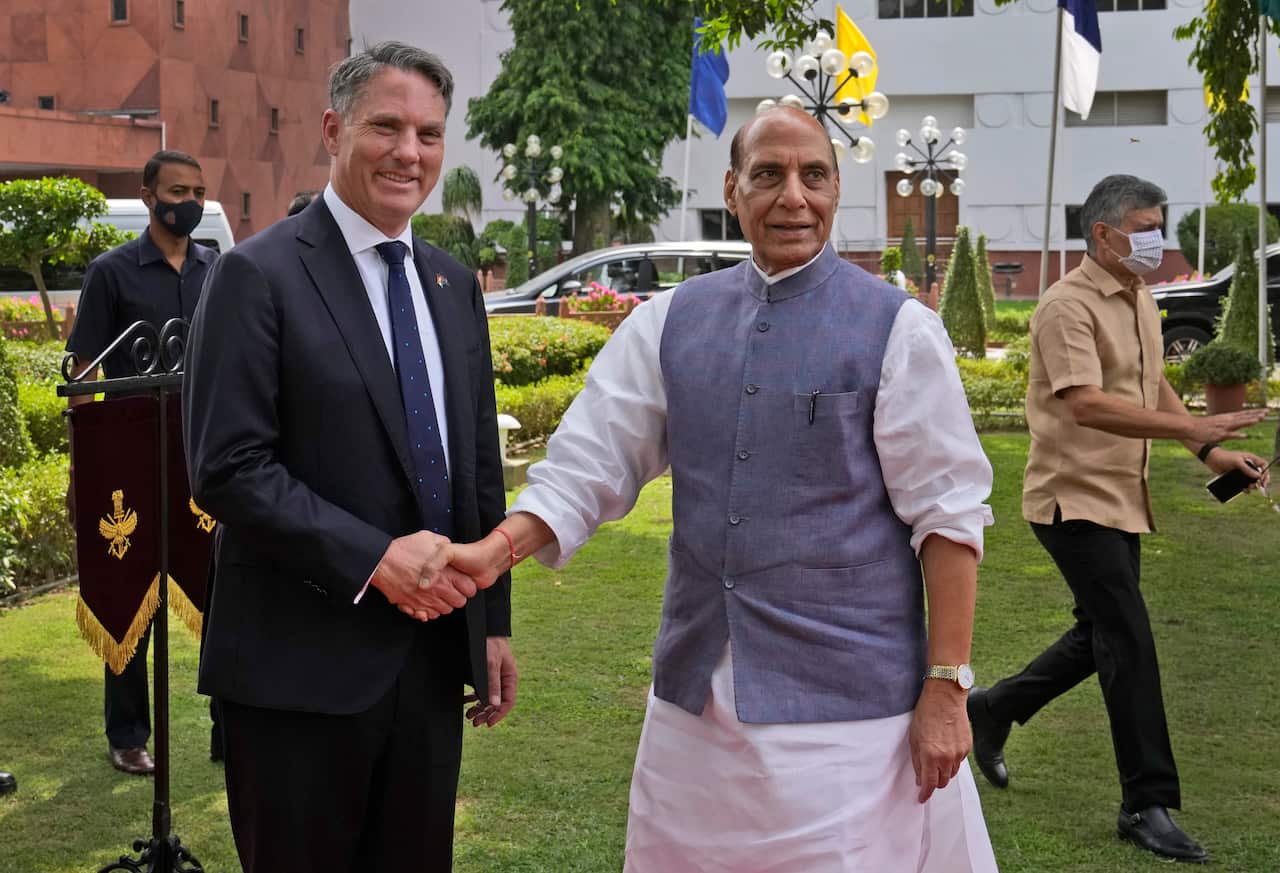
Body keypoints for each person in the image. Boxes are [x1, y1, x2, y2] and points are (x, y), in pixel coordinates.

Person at [449, 106, 999, 871]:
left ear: (839, 190)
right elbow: (589, 463)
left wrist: (946, 685)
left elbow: (948, 517)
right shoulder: (669, 321)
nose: (792, 197)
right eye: (769, 175)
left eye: (813, 175)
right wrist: (495, 551)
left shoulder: (898, 329)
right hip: (694, 715)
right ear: (733, 190)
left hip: (848, 717)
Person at [182, 42, 514, 873]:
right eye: (388, 127)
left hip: (431, 668)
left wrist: (492, 623)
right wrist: (375, 560)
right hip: (299, 673)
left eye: (430, 134)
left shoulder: (451, 283)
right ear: (334, 129)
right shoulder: (256, 276)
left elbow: (476, 469)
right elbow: (227, 466)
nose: (411, 152)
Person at [967, 174, 1269, 864]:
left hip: (1120, 494)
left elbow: (1150, 383)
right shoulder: (1065, 306)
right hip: (1072, 498)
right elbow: (1084, 403)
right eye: (1144, 225)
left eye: (1160, 223)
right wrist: (1196, 425)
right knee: (1127, 637)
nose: (1156, 238)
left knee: (1099, 632)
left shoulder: (1137, 299)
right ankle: (1145, 801)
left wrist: (1211, 448)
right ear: (1103, 234)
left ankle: (994, 707)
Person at [65, 149, 218, 776]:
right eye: (178, 189)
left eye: (198, 190)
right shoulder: (113, 271)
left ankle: (229, 727)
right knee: (132, 591)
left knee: (225, 593)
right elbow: (83, 373)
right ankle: (127, 734)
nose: (190, 201)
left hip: (206, 453)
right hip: (132, 460)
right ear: (149, 195)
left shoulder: (219, 268)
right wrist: (89, 463)